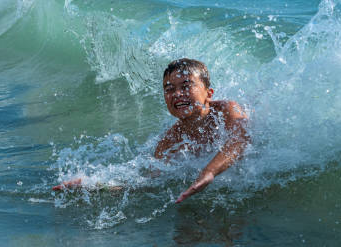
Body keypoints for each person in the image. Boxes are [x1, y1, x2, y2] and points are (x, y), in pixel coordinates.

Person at [53, 58, 250, 204]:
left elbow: (239, 141)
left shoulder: (227, 110)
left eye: (186, 86)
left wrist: (208, 172)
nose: (177, 94)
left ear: (209, 93)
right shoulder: (170, 141)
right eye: (169, 89)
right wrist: (95, 186)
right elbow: (150, 182)